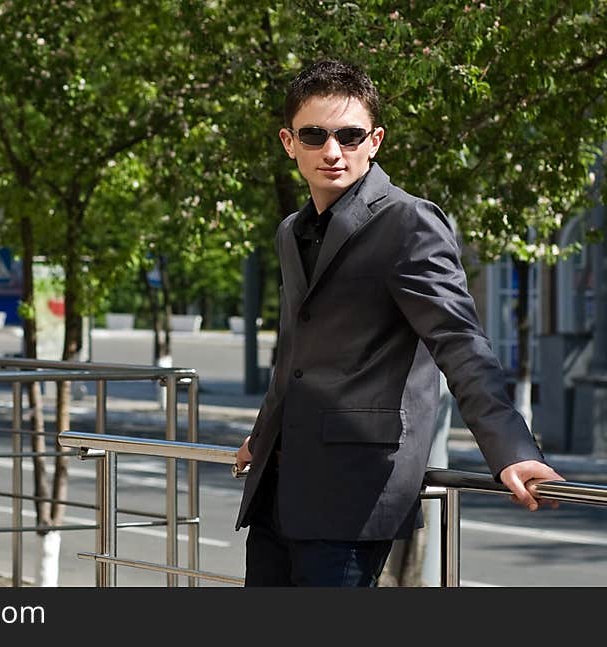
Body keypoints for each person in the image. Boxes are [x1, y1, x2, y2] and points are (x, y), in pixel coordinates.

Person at [233, 59, 563, 587]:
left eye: (349, 135)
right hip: (279, 484)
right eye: (314, 135)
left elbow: (459, 342)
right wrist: (264, 434)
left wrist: (512, 452)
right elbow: (295, 353)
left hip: (352, 493)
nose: (332, 151)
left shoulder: (409, 222)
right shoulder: (291, 230)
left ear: (376, 140)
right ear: (288, 142)